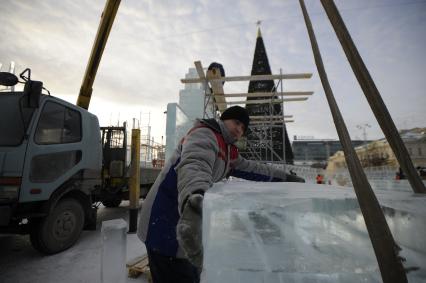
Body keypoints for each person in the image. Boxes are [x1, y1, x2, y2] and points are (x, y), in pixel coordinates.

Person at [137, 105, 304, 283]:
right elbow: (195, 165)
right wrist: (194, 201)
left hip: (190, 223)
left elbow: (254, 169)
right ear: (223, 119)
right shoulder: (205, 134)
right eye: (236, 123)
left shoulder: (228, 151)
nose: (239, 130)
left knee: (191, 274)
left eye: (243, 128)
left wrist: (285, 177)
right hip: (165, 221)